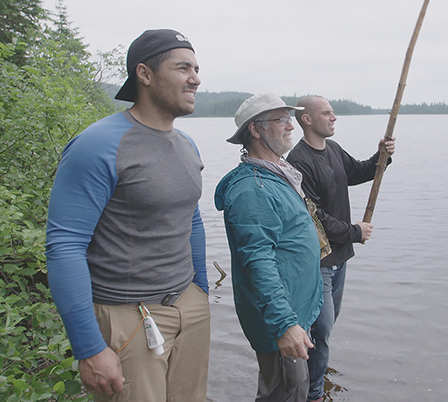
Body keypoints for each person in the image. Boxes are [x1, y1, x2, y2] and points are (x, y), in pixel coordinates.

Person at [45, 29, 210, 402]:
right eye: (183, 67)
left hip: (188, 306)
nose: (196, 78)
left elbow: (191, 219)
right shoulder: (98, 144)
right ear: (145, 74)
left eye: (197, 68)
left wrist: (198, 289)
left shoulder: (186, 144)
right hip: (127, 316)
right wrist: (89, 347)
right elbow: (64, 245)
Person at [214, 93, 323, 402]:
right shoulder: (253, 189)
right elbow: (258, 261)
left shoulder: (275, 176)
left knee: (295, 389)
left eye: (290, 118)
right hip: (281, 321)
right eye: (281, 119)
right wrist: (284, 324)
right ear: (255, 130)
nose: (291, 125)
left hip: (293, 312)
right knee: (285, 392)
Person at [286, 95, 396, 402]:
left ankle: (312, 375)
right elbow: (314, 218)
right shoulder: (299, 160)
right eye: (327, 113)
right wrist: (354, 232)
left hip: (340, 259)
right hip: (317, 262)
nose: (334, 118)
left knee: (325, 329)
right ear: (307, 119)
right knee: (321, 330)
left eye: (333, 113)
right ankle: (314, 394)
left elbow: (360, 171)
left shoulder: (332, 150)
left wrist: (381, 156)